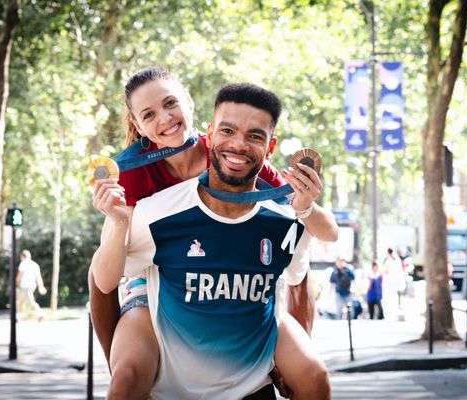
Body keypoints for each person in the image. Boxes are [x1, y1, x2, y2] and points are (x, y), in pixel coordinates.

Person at [89, 67, 337, 399]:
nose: (165, 118)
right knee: (127, 377)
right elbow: (106, 271)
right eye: (149, 114)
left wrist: (306, 205)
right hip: (157, 281)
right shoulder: (134, 176)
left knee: (311, 370)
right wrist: (117, 363)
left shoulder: (232, 151)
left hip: (233, 277)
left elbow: (299, 227)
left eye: (170, 103)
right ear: (137, 124)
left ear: (190, 103)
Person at [16, 250, 47, 320]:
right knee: (21, 301)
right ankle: (17, 317)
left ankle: (40, 314)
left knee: (31, 301)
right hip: (32, 286)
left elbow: (19, 276)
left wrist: (15, 283)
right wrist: (41, 287)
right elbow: (39, 277)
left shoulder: (23, 263)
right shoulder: (35, 264)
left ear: (22, 257)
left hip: (26, 286)